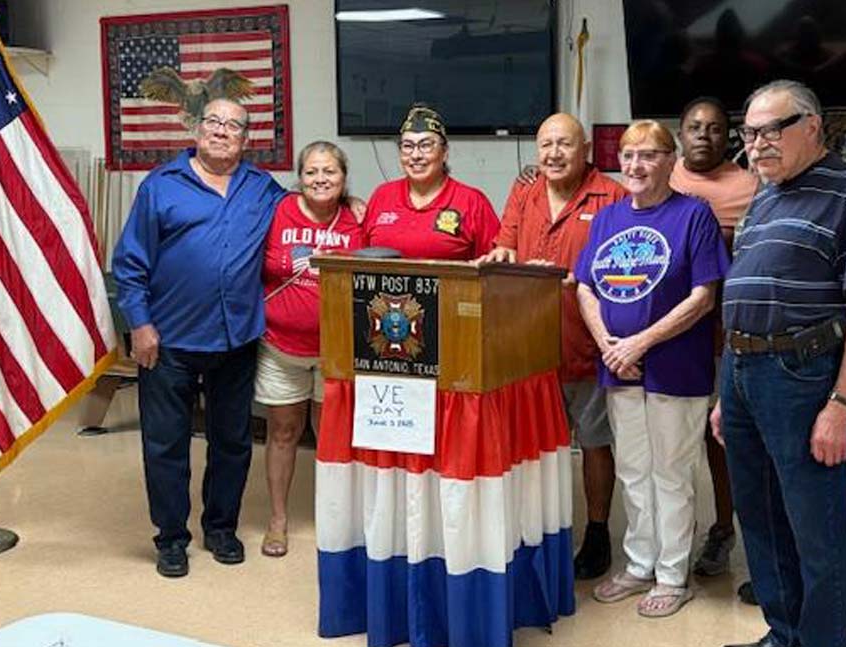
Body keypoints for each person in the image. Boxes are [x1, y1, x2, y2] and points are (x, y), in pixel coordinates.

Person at [713, 80, 846, 647]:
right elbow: (744, 292)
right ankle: (785, 632)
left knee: (818, 531)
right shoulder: (763, 195)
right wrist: (725, 392)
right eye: (749, 132)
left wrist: (841, 405)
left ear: (811, 126)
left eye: (771, 130)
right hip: (741, 372)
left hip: (801, 375)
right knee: (760, 521)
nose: (756, 144)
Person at [113, 98, 287, 577]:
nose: (221, 131)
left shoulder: (263, 189)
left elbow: (304, 217)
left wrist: (349, 201)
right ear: (197, 128)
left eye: (233, 125)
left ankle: (221, 528)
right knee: (166, 445)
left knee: (231, 441)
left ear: (246, 139)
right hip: (169, 341)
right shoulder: (161, 186)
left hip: (236, 341)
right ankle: (171, 538)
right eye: (213, 121)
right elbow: (129, 263)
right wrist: (140, 324)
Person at [577, 120, 729, 618]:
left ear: (671, 160)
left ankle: (671, 573)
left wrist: (640, 341)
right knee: (633, 470)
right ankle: (640, 563)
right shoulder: (607, 218)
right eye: (627, 155)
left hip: (675, 368)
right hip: (618, 366)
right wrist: (608, 344)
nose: (635, 166)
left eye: (648, 155)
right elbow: (584, 286)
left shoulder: (694, 216)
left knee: (672, 473)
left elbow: (704, 296)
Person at [478, 113, 628, 580]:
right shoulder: (523, 191)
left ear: (585, 149)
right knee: (535, 449)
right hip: (526, 353)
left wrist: (572, 282)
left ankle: (597, 531)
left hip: (585, 347)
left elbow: (623, 274)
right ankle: (540, 532)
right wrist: (500, 260)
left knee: (595, 443)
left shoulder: (614, 196)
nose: (554, 154)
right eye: (545, 144)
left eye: (564, 144)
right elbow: (505, 247)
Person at [257, 142, 366, 558]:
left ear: (343, 178)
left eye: (330, 172)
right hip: (280, 346)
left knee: (332, 438)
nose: (321, 179)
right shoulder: (277, 211)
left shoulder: (359, 218)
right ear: (300, 177)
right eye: (312, 172)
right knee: (283, 432)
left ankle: (336, 520)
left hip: (336, 350)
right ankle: (278, 520)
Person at [670, 96, 758, 580]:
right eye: (694, 126)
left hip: (727, 335)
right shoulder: (662, 177)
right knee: (672, 439)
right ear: (680, 135)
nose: (704, 135)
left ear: (729, 137)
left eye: (715, 128)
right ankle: (671, 537)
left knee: (722, 438)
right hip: (670, 336)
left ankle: (724, 528)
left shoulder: (750, 187)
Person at [364, 104, 499, 260]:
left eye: (426, 145)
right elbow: (359, 256)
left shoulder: (472, 202)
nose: (415, 155)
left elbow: (495, 266)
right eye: (407, 146)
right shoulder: (382, 195)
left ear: (445, 153)